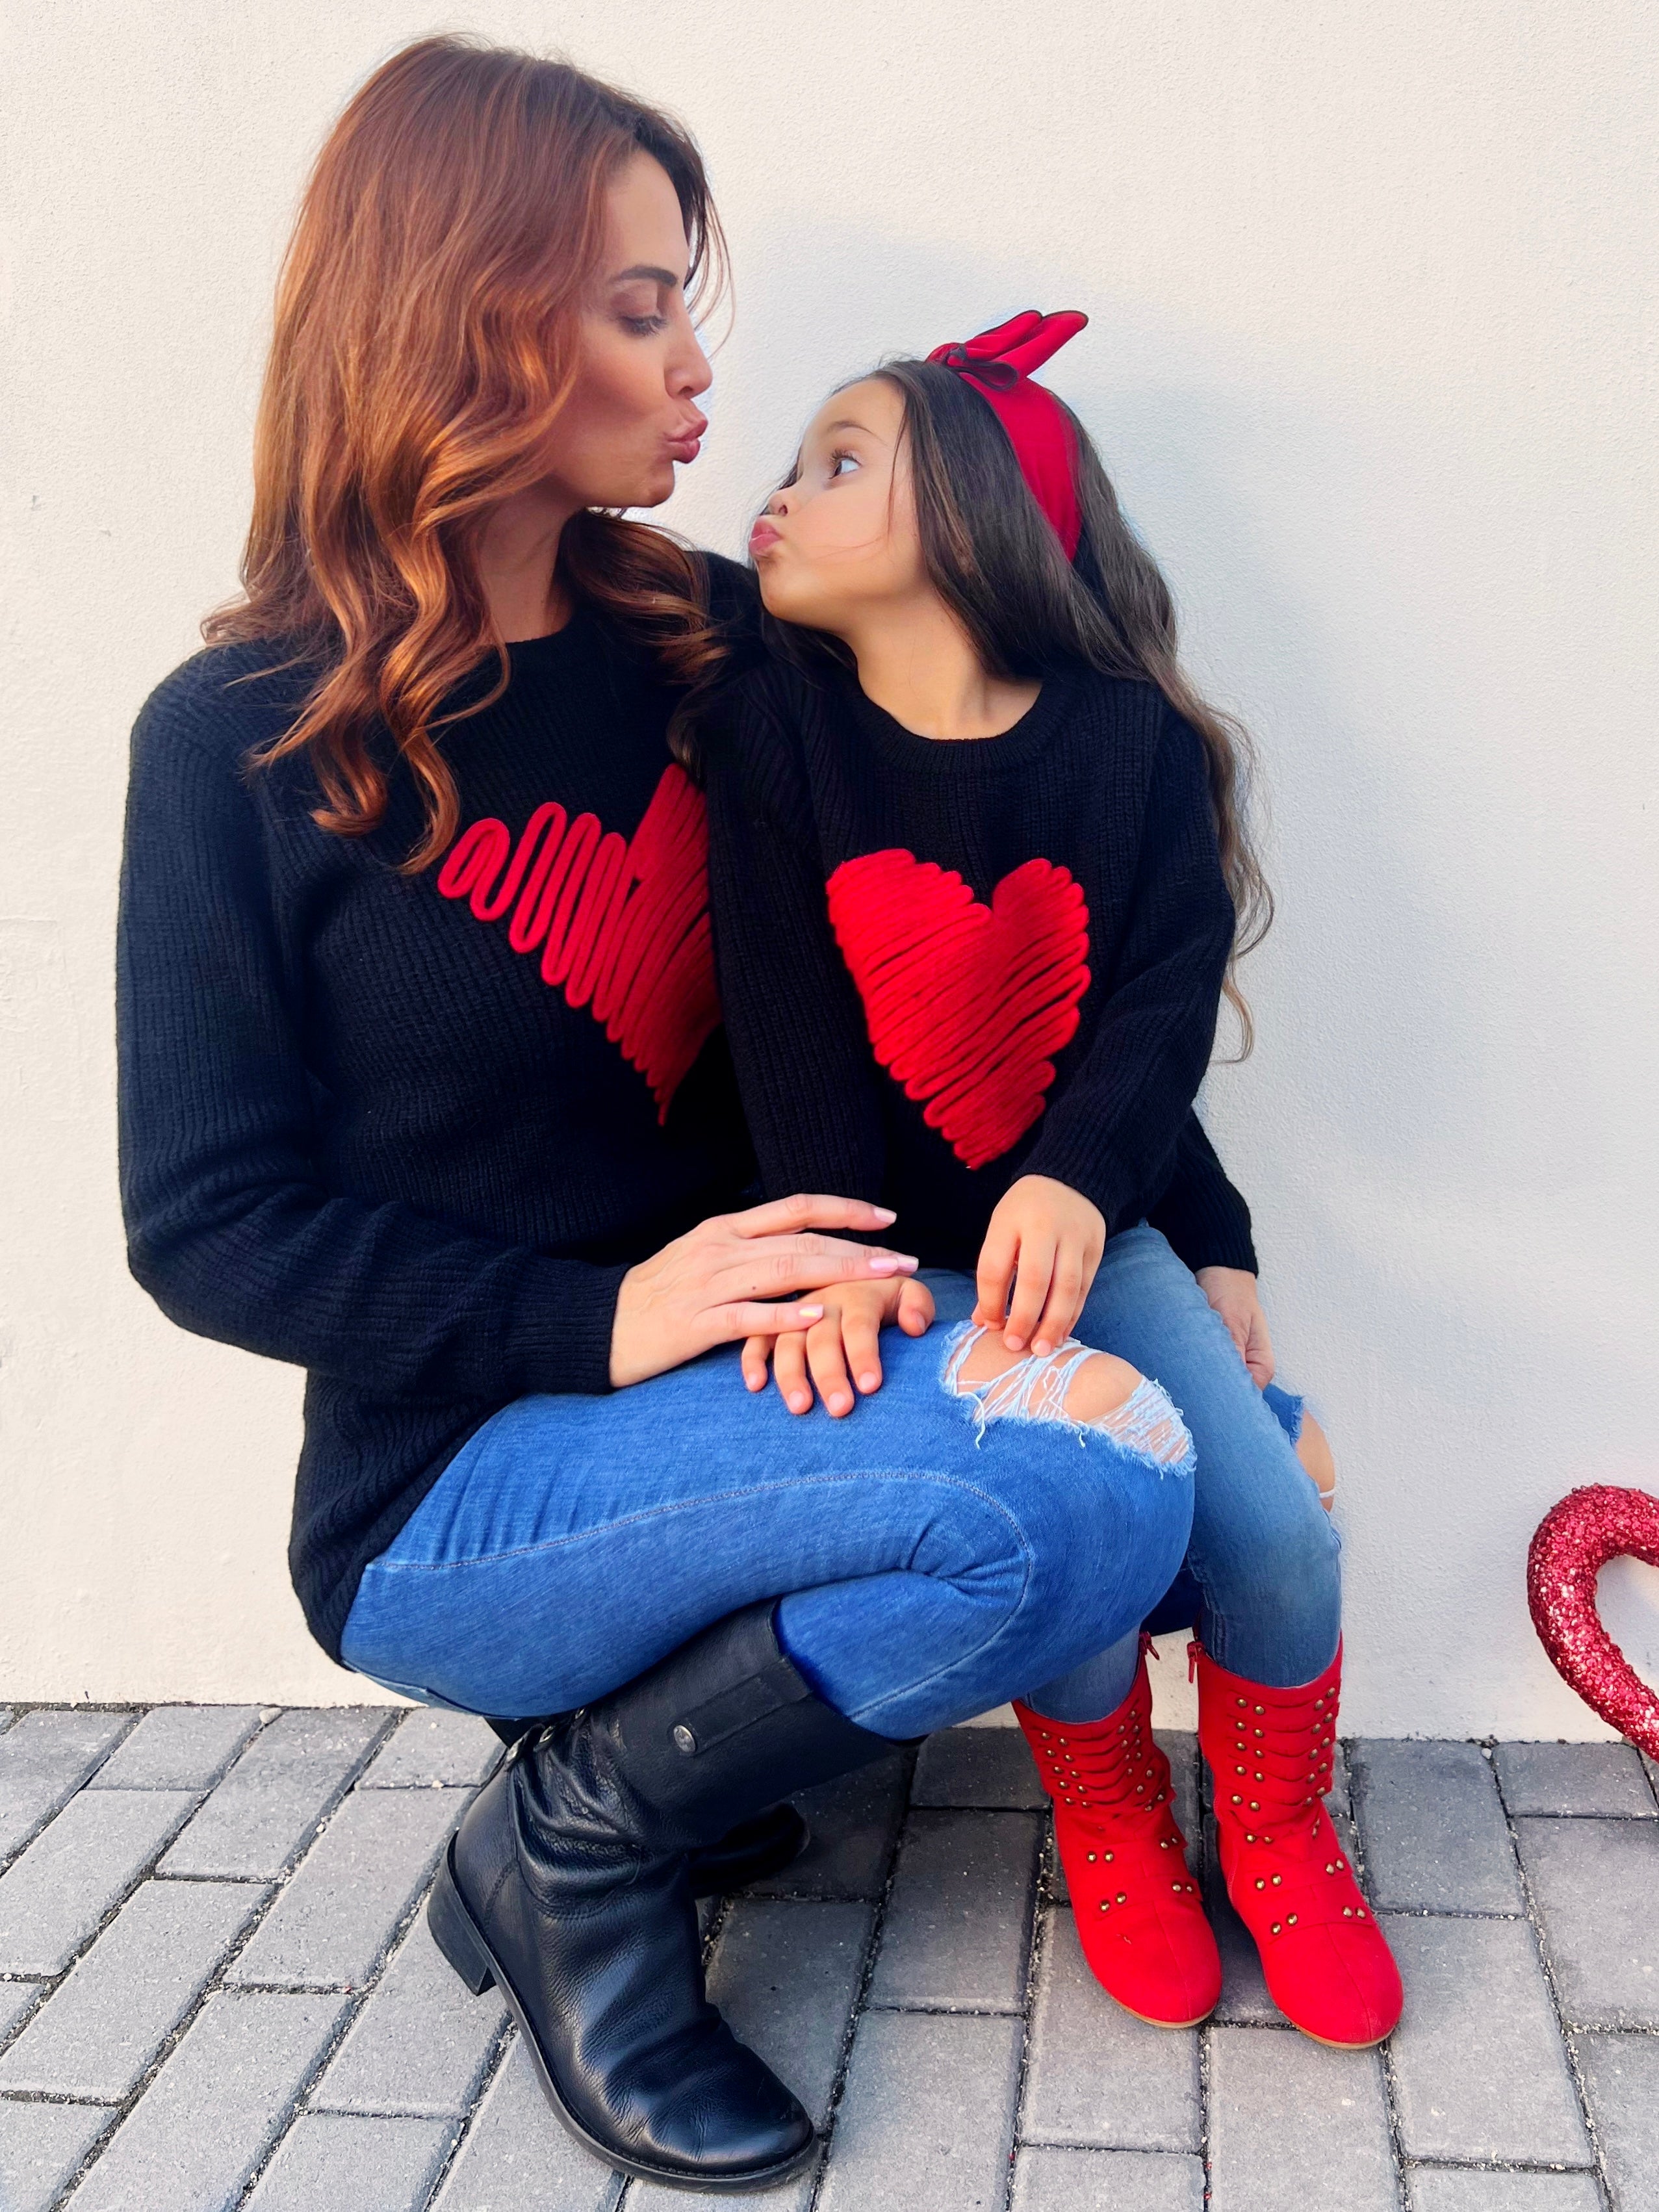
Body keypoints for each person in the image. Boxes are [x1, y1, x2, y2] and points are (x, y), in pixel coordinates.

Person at [116, 40, 1216, 2193]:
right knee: (1076, 1494)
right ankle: (578, 1841)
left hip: (762, 1365)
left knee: (1135, 1470)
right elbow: (206, 1222)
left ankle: (633, 1764)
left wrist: (1195, 1214)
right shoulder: (240, 737)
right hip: (455, 1483)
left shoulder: (713, 638)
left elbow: (1024, 935)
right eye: (636, 309)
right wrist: (605, 1316)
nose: (698, 367)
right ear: (465, 321)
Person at [696, 315, 1404, 2047]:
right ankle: (1105, 1811)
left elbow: (1155, 1011)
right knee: (1074, 1531)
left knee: (1276, 1535)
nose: (779, 492)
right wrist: (852, 1269)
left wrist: (1111, 1195)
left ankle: (1277, 1827)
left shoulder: (1128, 745)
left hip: (1100, 1233)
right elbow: (782, 1033)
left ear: (973, 515)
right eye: (793, 461)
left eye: (839, 459)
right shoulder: (771, 735)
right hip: (904, 1271)